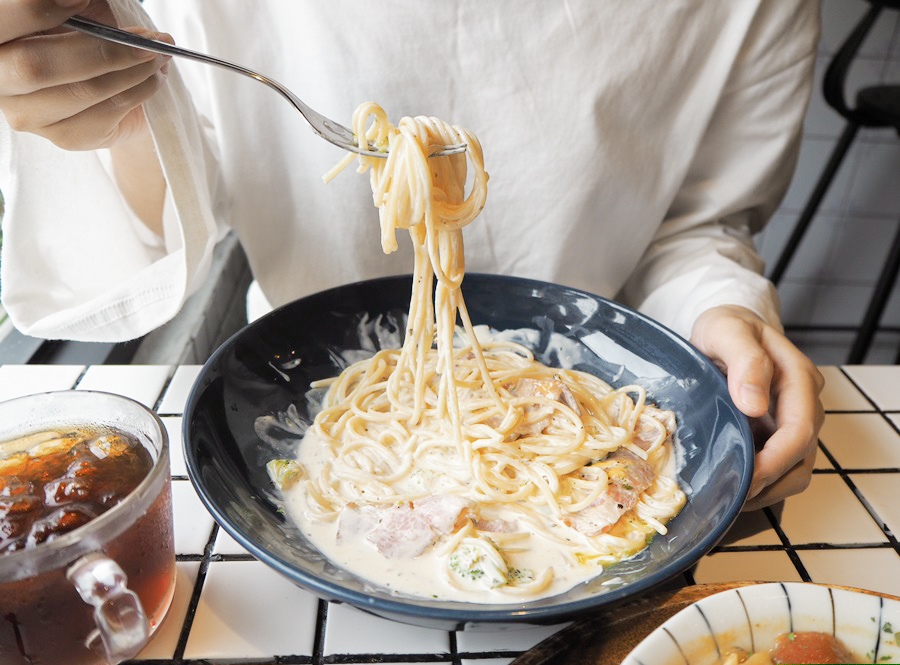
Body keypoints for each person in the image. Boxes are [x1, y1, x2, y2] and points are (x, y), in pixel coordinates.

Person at [0, 0, 824, 510]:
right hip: (300, 396)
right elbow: (179, 185)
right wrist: (109, 109)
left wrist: (724, 309)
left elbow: (698, 224)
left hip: (591, 402)